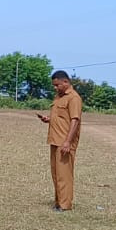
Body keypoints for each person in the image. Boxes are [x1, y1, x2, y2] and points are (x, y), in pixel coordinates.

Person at [38, 70, 83, 212]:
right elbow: (61, 117)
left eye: (57, 85)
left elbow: (75, 120)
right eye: (54, 85)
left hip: (65, 142)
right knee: (56, 174)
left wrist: (68, 142)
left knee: (64, 175)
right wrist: (48, 119)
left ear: (65, 82)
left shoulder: (73, 98)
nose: (55, 88)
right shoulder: (59, 97)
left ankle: (65, 205)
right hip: (55, 140)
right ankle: (58, 202)